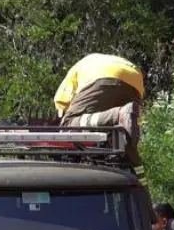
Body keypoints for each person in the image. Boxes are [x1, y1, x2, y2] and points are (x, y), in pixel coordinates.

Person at [53, 53, 147, 185]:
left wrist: (62, 120)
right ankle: (143, 187)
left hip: (103, 75)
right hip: (135, 79)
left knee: (68, 125)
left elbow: (61, 103)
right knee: (126, 140)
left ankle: (118, 114)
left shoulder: (74, 73)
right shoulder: (92, 62)